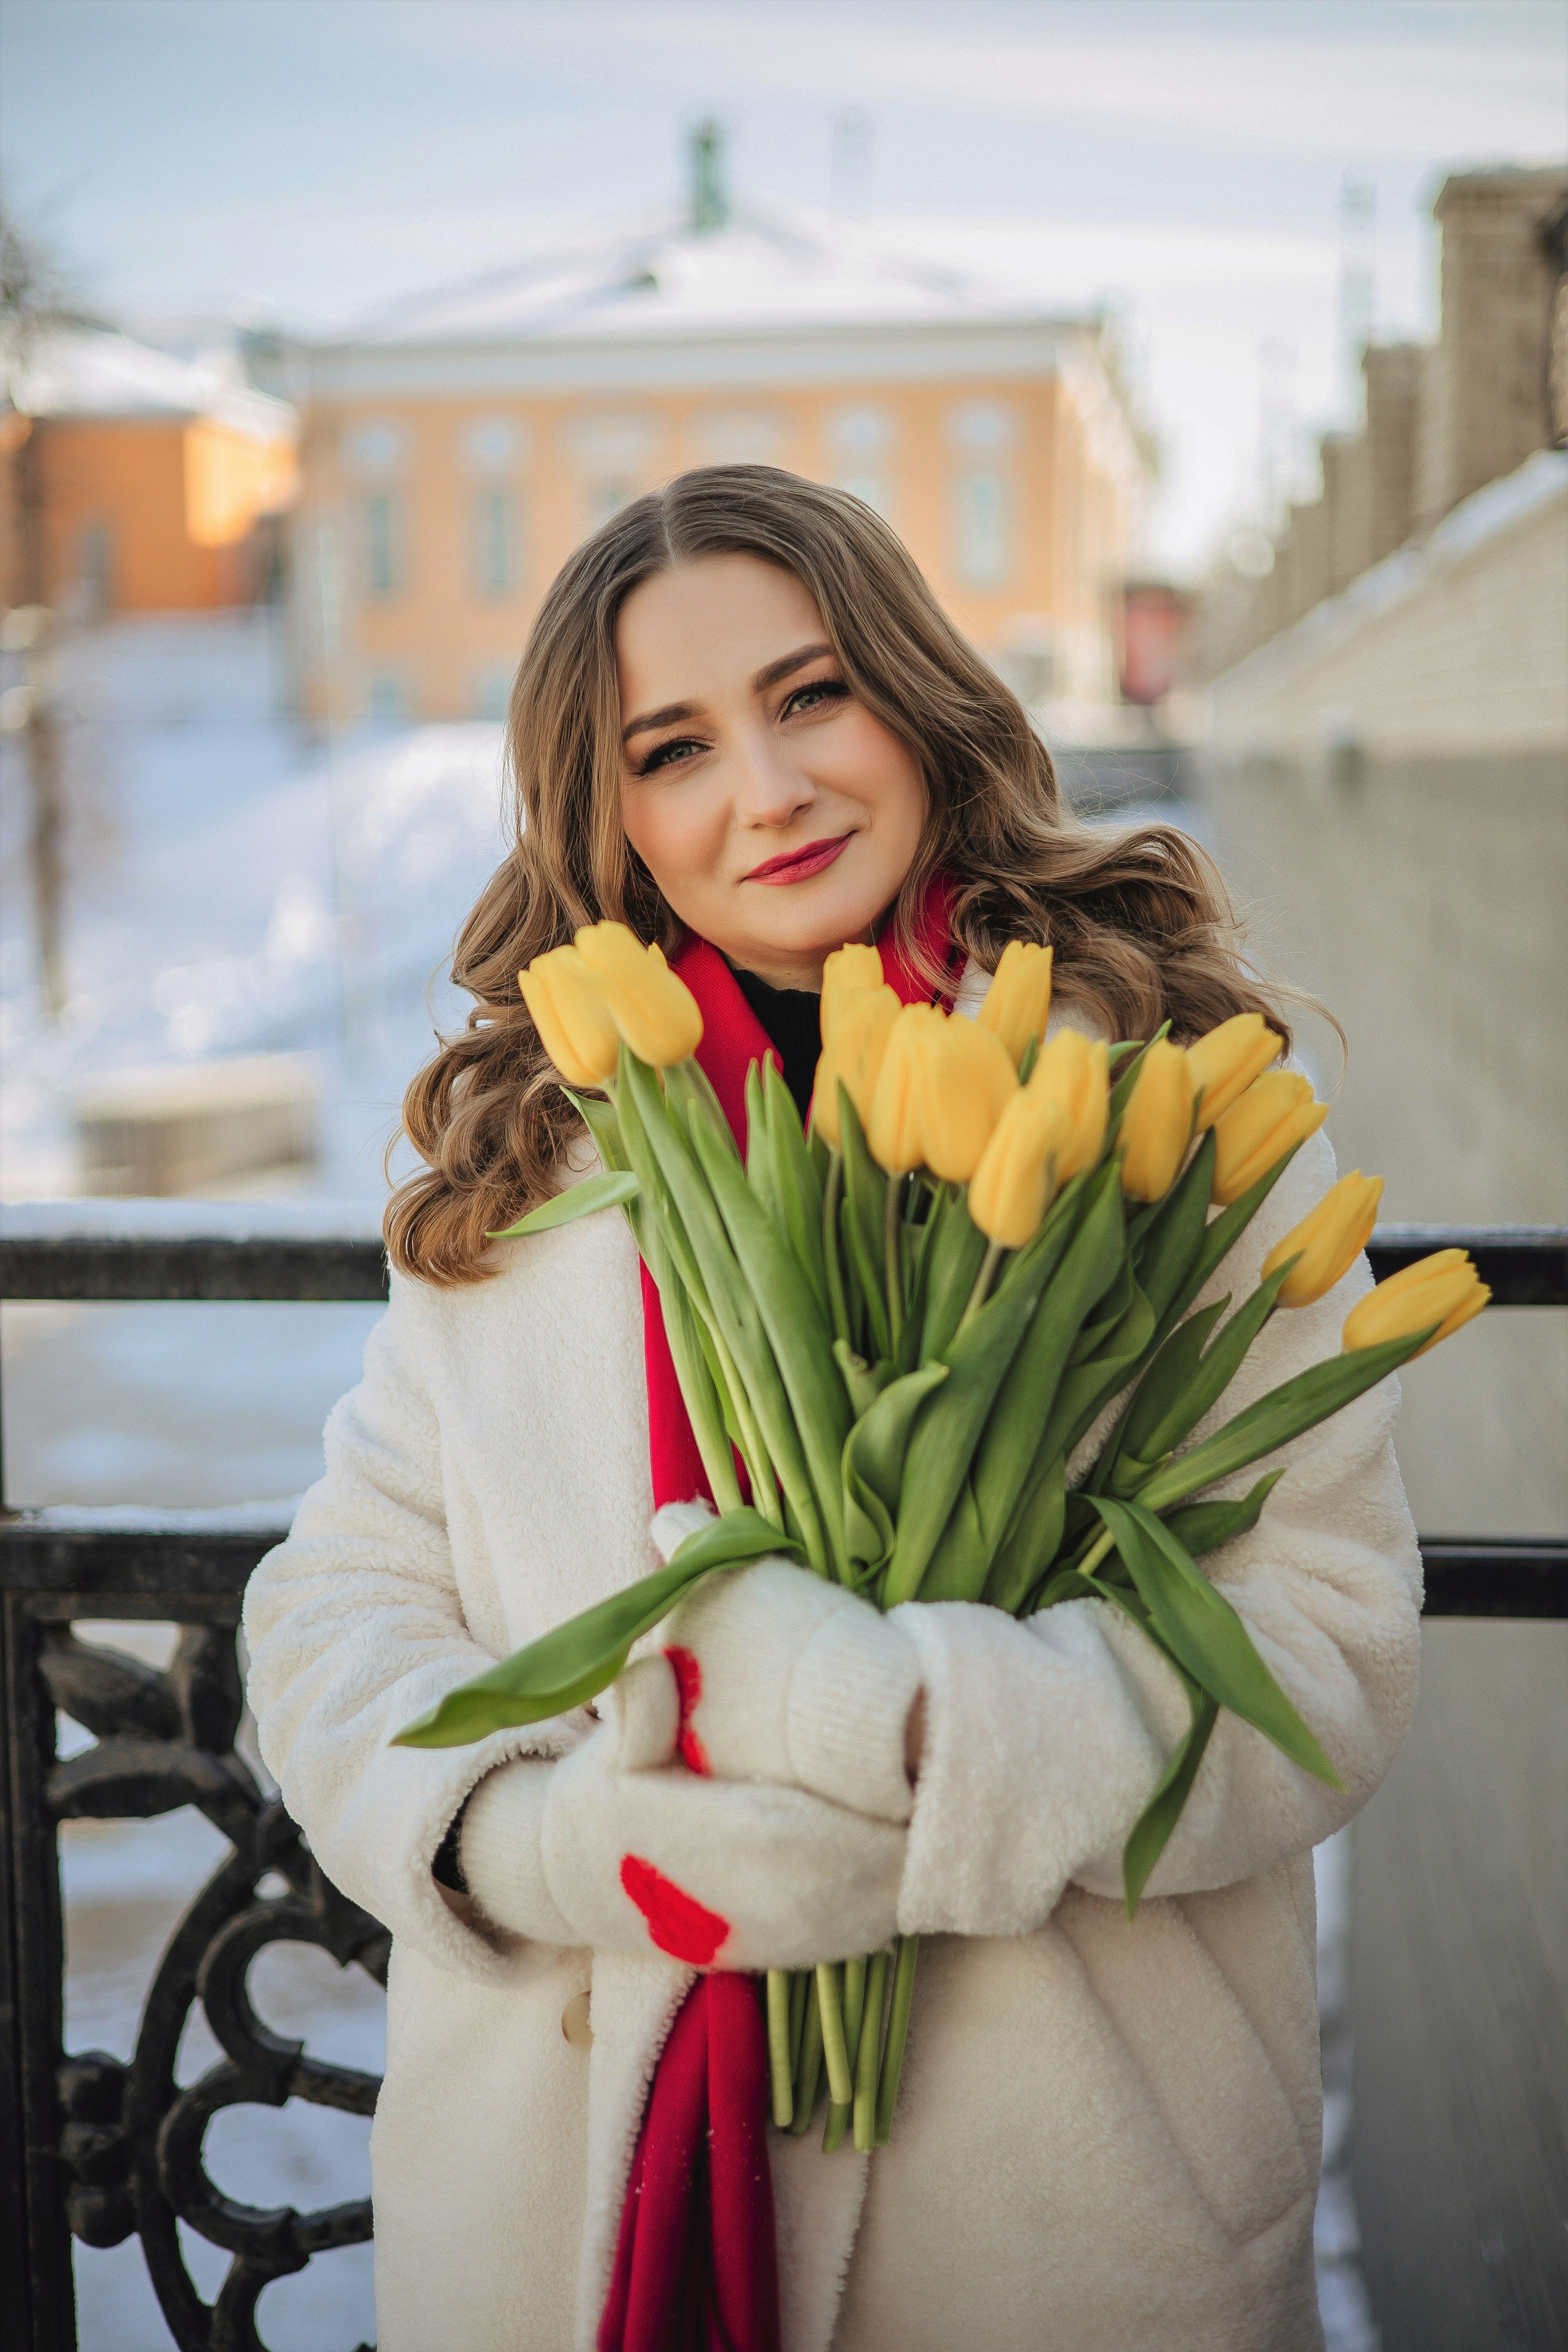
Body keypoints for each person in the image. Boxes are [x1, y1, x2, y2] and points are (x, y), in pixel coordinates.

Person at [244, 466, 1419, 2352]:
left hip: (1061, 2211)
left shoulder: (1165, 1105)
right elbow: (327, 1609)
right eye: (675, 746)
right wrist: (538, 1844)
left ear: (914, 693)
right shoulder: (533, 1154)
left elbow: (1328, 1656)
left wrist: (903, 1725)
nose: (767, 792)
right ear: (606, 808)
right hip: (570, 2200)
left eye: (811, 697)